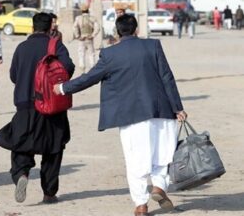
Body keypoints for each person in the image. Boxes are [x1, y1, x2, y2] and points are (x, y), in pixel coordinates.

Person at [53, 14, 187, 216]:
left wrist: (63, 88)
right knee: (162, 155)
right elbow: (167, 77)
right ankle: (159, 187)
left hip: (131, 116)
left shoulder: (110, 54)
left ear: (117, 32)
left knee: (135, 159)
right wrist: (178, 107)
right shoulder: (153, 46)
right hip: (162, 110)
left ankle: (141, 205)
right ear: (136, 30)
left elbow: (89, 78)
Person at [0, 12, 75, 204]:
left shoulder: (21, 47)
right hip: (51, 105)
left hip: (25, 105)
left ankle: (21, 174)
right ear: (50, 28)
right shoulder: (55, 45)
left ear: (32, 27)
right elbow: (68, 69)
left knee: (21, 144)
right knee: (53, 149)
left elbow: (14, 75)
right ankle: (49, 192)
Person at [72, 4, 100, 72]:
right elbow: (97, 28)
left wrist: (78, 36)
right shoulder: (92, 18)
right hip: (89, 38)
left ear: (81, 11)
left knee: (81, 53)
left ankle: (82, 67)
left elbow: (74, 27)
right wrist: (93, 35)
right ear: (88, 10)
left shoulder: (78, 18)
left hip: (81, 38)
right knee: (91, 54)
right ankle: (92, 68)